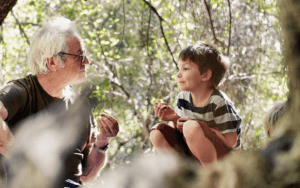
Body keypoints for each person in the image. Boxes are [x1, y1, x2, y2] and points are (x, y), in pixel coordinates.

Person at [0, 17, 119, 187]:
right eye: (80, 55)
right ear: (52, 62)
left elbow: (86, 174)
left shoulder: (81, 106)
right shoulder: (20, 91)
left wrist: (102, 142)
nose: (87, 61)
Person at [150, 41, 242, 167]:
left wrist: (203, 127)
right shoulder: (183, 97)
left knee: (191, 127)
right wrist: (174, 118)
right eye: (179, 68)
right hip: (194, 155)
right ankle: (184, 173)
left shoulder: (219, 102)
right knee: (157, 133)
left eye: (185, 68)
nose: (178, 74)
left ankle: (212, 177)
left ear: (205, 75)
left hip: (224, 160)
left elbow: (231, 142)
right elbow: (181, 129)